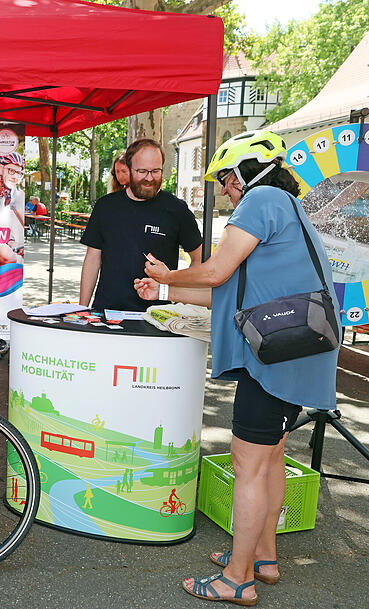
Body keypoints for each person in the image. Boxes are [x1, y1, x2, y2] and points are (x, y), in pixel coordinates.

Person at [134, 130, 340, 606]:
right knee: (270, 458)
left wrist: (169, 275)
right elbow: (230, 292)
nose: (225, 190)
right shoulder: (288, 206)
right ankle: (263, 558)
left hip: (273, 358)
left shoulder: (261, 198)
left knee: (248, 465)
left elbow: (213, 272)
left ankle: (236, 579)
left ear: (250, 171)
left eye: (226, 178)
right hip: (297, 349)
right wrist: (165, 292)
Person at [80, 138, 202, 311]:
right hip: (106, 313)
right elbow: (92, 259)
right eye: (142, 171)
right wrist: (81, 309)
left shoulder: (177, 209)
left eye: (156, 171)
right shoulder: (105, 206)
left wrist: (178, 294)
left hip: (158, 317)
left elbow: (200, 259)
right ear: (128, 169)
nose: (149, 178)